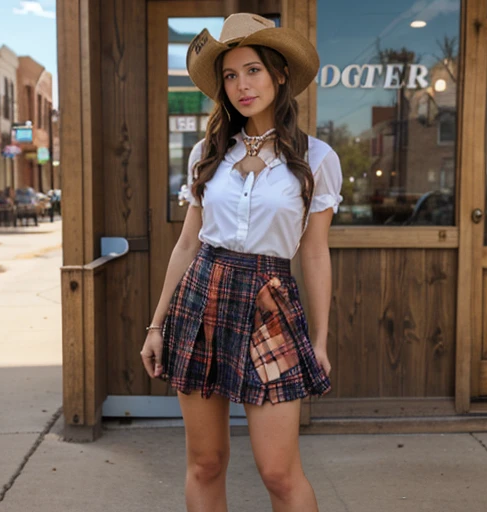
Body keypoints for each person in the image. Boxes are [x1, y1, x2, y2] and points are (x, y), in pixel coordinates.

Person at [141, 13, 343, 512]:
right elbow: (187, 243)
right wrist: (156, 324)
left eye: (252, 70)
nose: (241, 85)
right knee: (205, 462)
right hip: (201, 295)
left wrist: (318, 338)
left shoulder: (316, 158)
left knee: (278, 472)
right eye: (230, 75)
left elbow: (315, 252)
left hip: (269, 301)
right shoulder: (208, 154)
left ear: (278, 75)